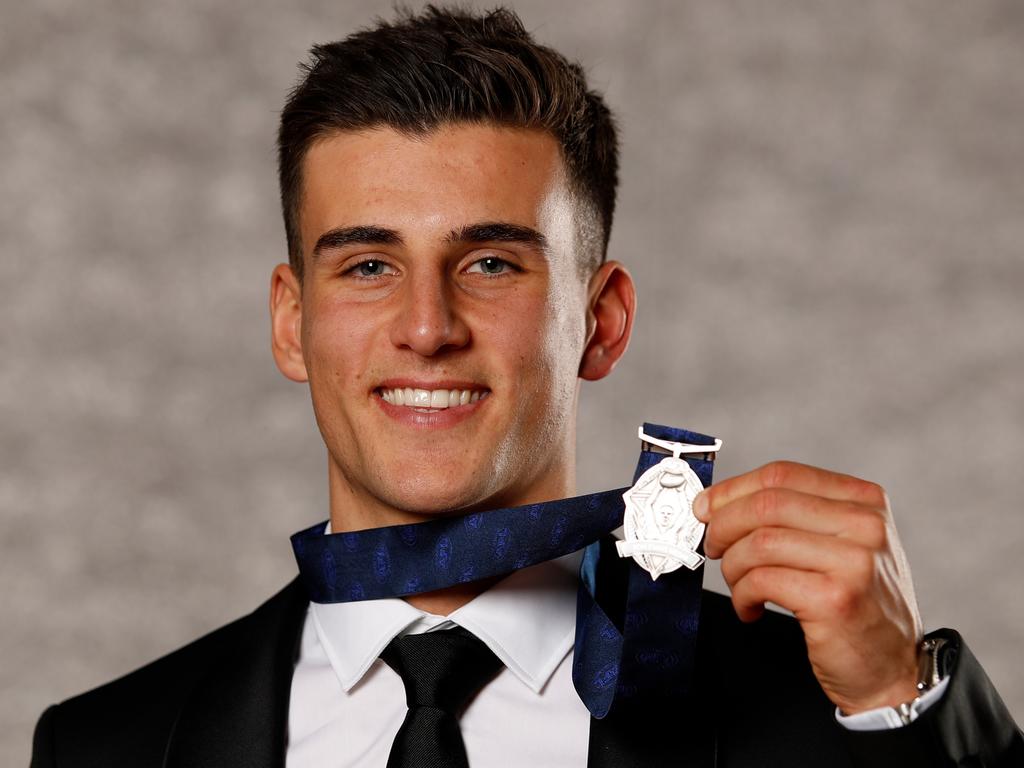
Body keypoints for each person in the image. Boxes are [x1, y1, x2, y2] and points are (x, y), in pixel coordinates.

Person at [30, 6, 1021, 767]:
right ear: (293, 322)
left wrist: (899, 700)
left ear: (602, 320)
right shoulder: (106, 745)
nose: (426, 328)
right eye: (368, 266)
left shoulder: (820, 715)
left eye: (492, 264)